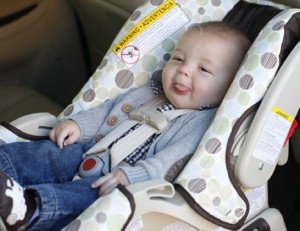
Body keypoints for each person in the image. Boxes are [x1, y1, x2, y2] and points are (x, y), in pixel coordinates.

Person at [0, 21, 250, 231]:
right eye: (178, 59)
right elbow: (107, 111)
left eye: (203, 69)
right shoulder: (148, 92)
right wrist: (78, 125)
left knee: (86, 198)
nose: (183, 70)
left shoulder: (202, 123)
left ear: (229, 87)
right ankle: (4, 166)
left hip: (120, 180)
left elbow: (172, 161)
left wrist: (133, 176)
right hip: (90, 151)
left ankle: (30, 209)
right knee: (48, 154)